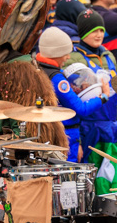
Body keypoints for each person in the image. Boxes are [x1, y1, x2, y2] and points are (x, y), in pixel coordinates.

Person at [65, 10, 117, 195]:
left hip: (112, 128)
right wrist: (77, 140)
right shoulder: (74, 58)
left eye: (101, 30)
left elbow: (116, 96)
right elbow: (70, 104)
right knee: (94, 184)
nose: (98, 34)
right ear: (82, 33)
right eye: (93, 30)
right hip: (89, 130)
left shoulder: (109, 56)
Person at [35, 27, 111, 162]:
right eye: (65, 52)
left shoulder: (37, 69)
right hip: (65, 137)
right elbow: (81, 109)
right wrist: (104, 96)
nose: (68, 57)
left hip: (49, 135)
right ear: (55, 52)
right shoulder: (57, 80)